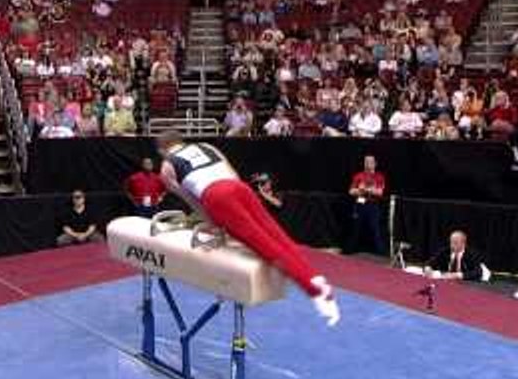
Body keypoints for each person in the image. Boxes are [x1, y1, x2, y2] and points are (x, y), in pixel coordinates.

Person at [156, 132, 339, 326]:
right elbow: (233, 173)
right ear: (181, 141)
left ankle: (316, 293)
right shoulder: (207, 147)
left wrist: (215, 225)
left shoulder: (167, 166)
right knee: (280, 238)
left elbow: (192, 200)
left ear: (162, 150)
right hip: (240, 188)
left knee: (266, 247)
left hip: (215, 196)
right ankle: (315, 278)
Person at [347, 154, 387, 256]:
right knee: (355, 228)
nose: (368, 164)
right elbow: (351, 191)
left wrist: (367, 190)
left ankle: (381, 253)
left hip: (373, 205)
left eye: (370, 162)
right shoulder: (358, 176)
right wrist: (360, 190)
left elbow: (380, 192)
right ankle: (350, 250)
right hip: (360, 204)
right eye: (366, 162)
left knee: (375, 229)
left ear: (375, 164)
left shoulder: (379, 177)